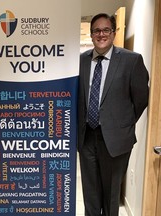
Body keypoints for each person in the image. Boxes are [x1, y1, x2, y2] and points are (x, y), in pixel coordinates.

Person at [78, 13, 149, 216]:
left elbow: (141, 100)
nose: (101, 34)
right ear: (91, 35)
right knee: (90, 194)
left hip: (116, 140)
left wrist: (120, 124)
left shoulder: (131, 60)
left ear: (114, 32)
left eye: (106, 30)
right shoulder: (81, 61)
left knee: (111, 197)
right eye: (96, 31)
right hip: (87, 138)